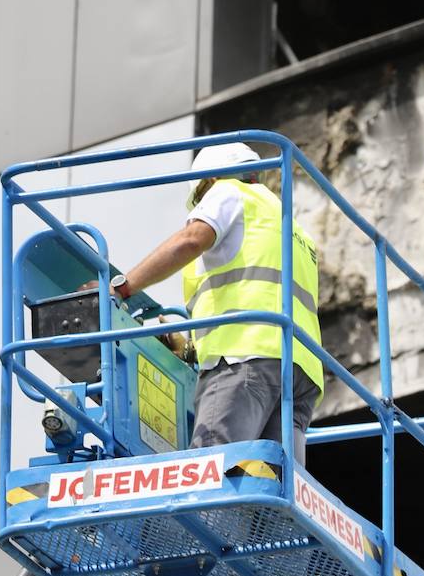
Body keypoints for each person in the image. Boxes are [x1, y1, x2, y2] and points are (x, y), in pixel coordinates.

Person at [109, 143, 323, 464]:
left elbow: (190, 240)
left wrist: (123, 288)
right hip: (300, 371)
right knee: (273, 483)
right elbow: (257, 290)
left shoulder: (228, 193)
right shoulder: (292, 227)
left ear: (208, 181)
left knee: (214, 470)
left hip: (244, 357)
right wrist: (191, 350)